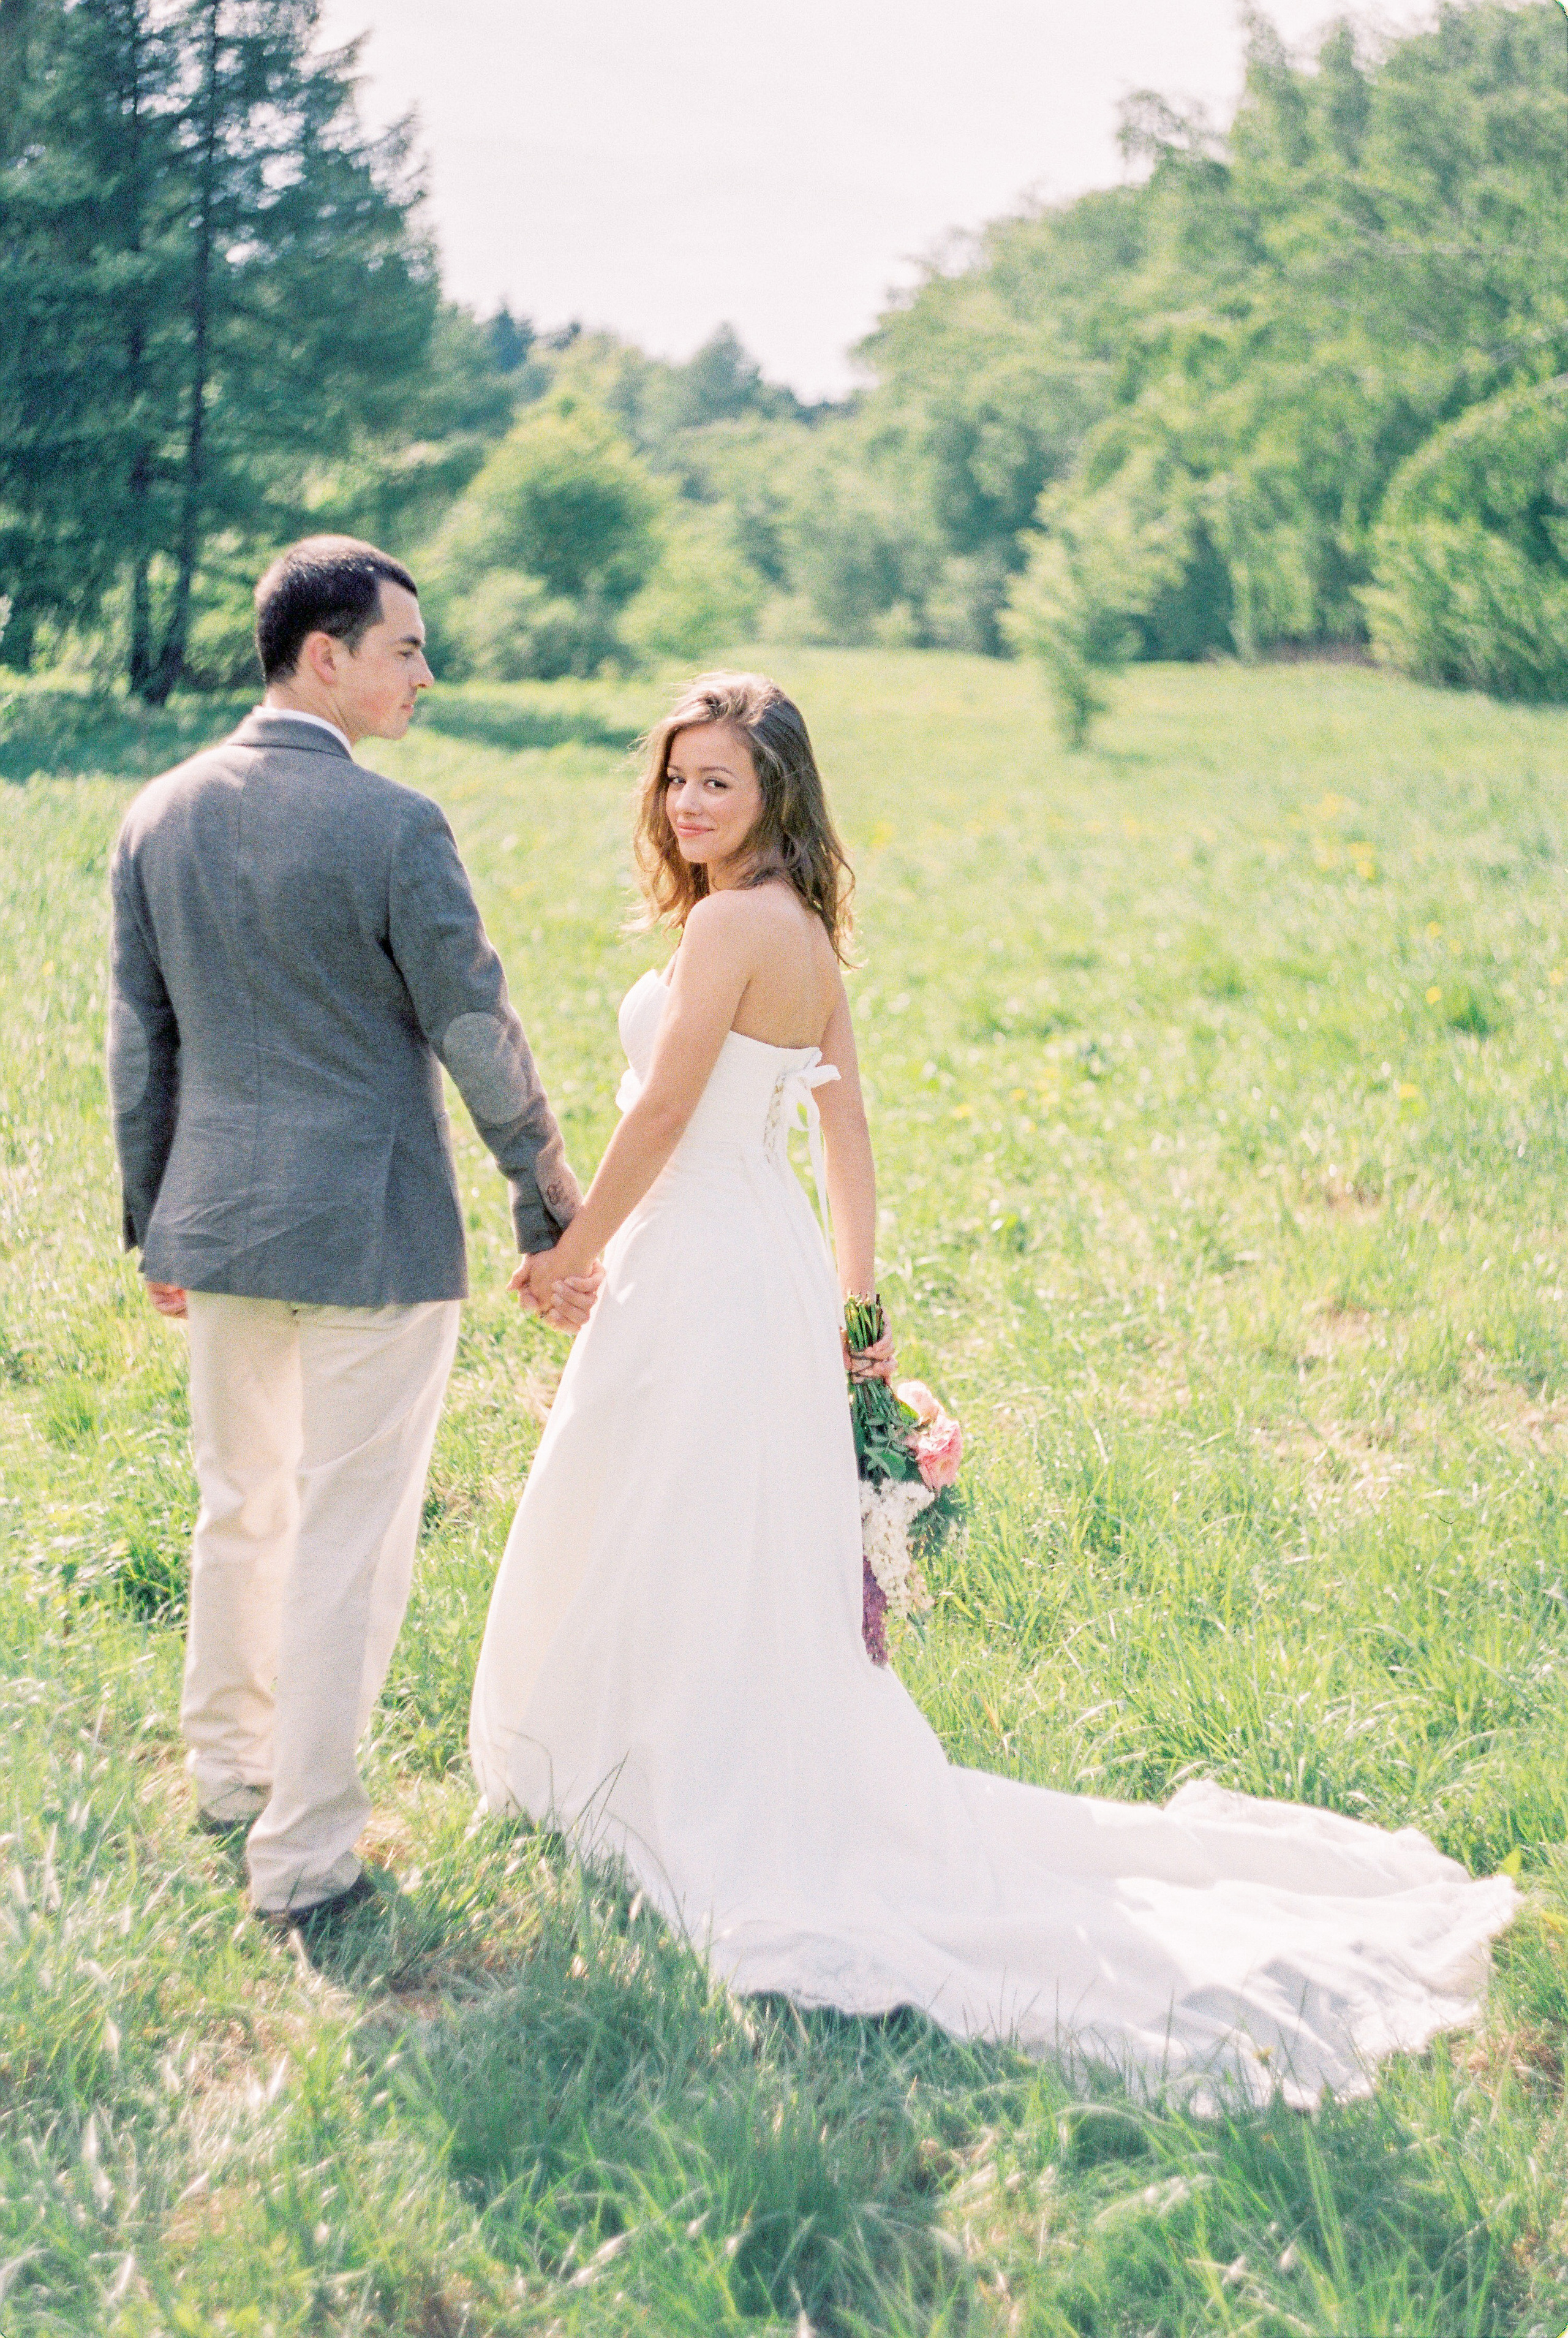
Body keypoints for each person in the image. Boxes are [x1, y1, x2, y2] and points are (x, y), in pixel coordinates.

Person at [469, 670, 1514, 2108]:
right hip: (755, 1262)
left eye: (717, 779)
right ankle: (670, 1748)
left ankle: (651, 1773)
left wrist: (576, 1253)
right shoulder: (809, 937)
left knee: (670, 1512)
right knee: (710, 1520)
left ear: (777, 786)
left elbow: (660, 1110)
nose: (689, 803)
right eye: (674, 780)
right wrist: (855, 1311)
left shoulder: (729, 925)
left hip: (700, 1264)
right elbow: (845, 1141)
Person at [107, 535, 597, 1925]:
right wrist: (543, 1191)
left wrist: (155, 1224)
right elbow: (475, 1031)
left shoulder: (157, 812)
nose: (425, 676)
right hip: (372, 1234)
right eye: (405, 649)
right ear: (322, 655)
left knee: (237, 1508)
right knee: (344, 1540)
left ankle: (224, 1774)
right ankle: (307, 1853)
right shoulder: (395, 828)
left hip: (214, 1228)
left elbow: (138, 1049)